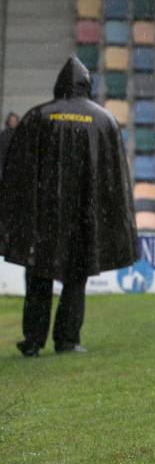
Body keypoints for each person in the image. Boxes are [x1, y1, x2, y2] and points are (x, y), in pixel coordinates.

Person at [0, 58, 137, 356]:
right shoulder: (104, 120)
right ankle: (67, 339)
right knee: (76, 278)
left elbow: (18, 172)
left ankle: (34, 341)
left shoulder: (39, 116)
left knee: (38, 276)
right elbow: (113, 178)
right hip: (82, 216)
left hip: (44, 217)